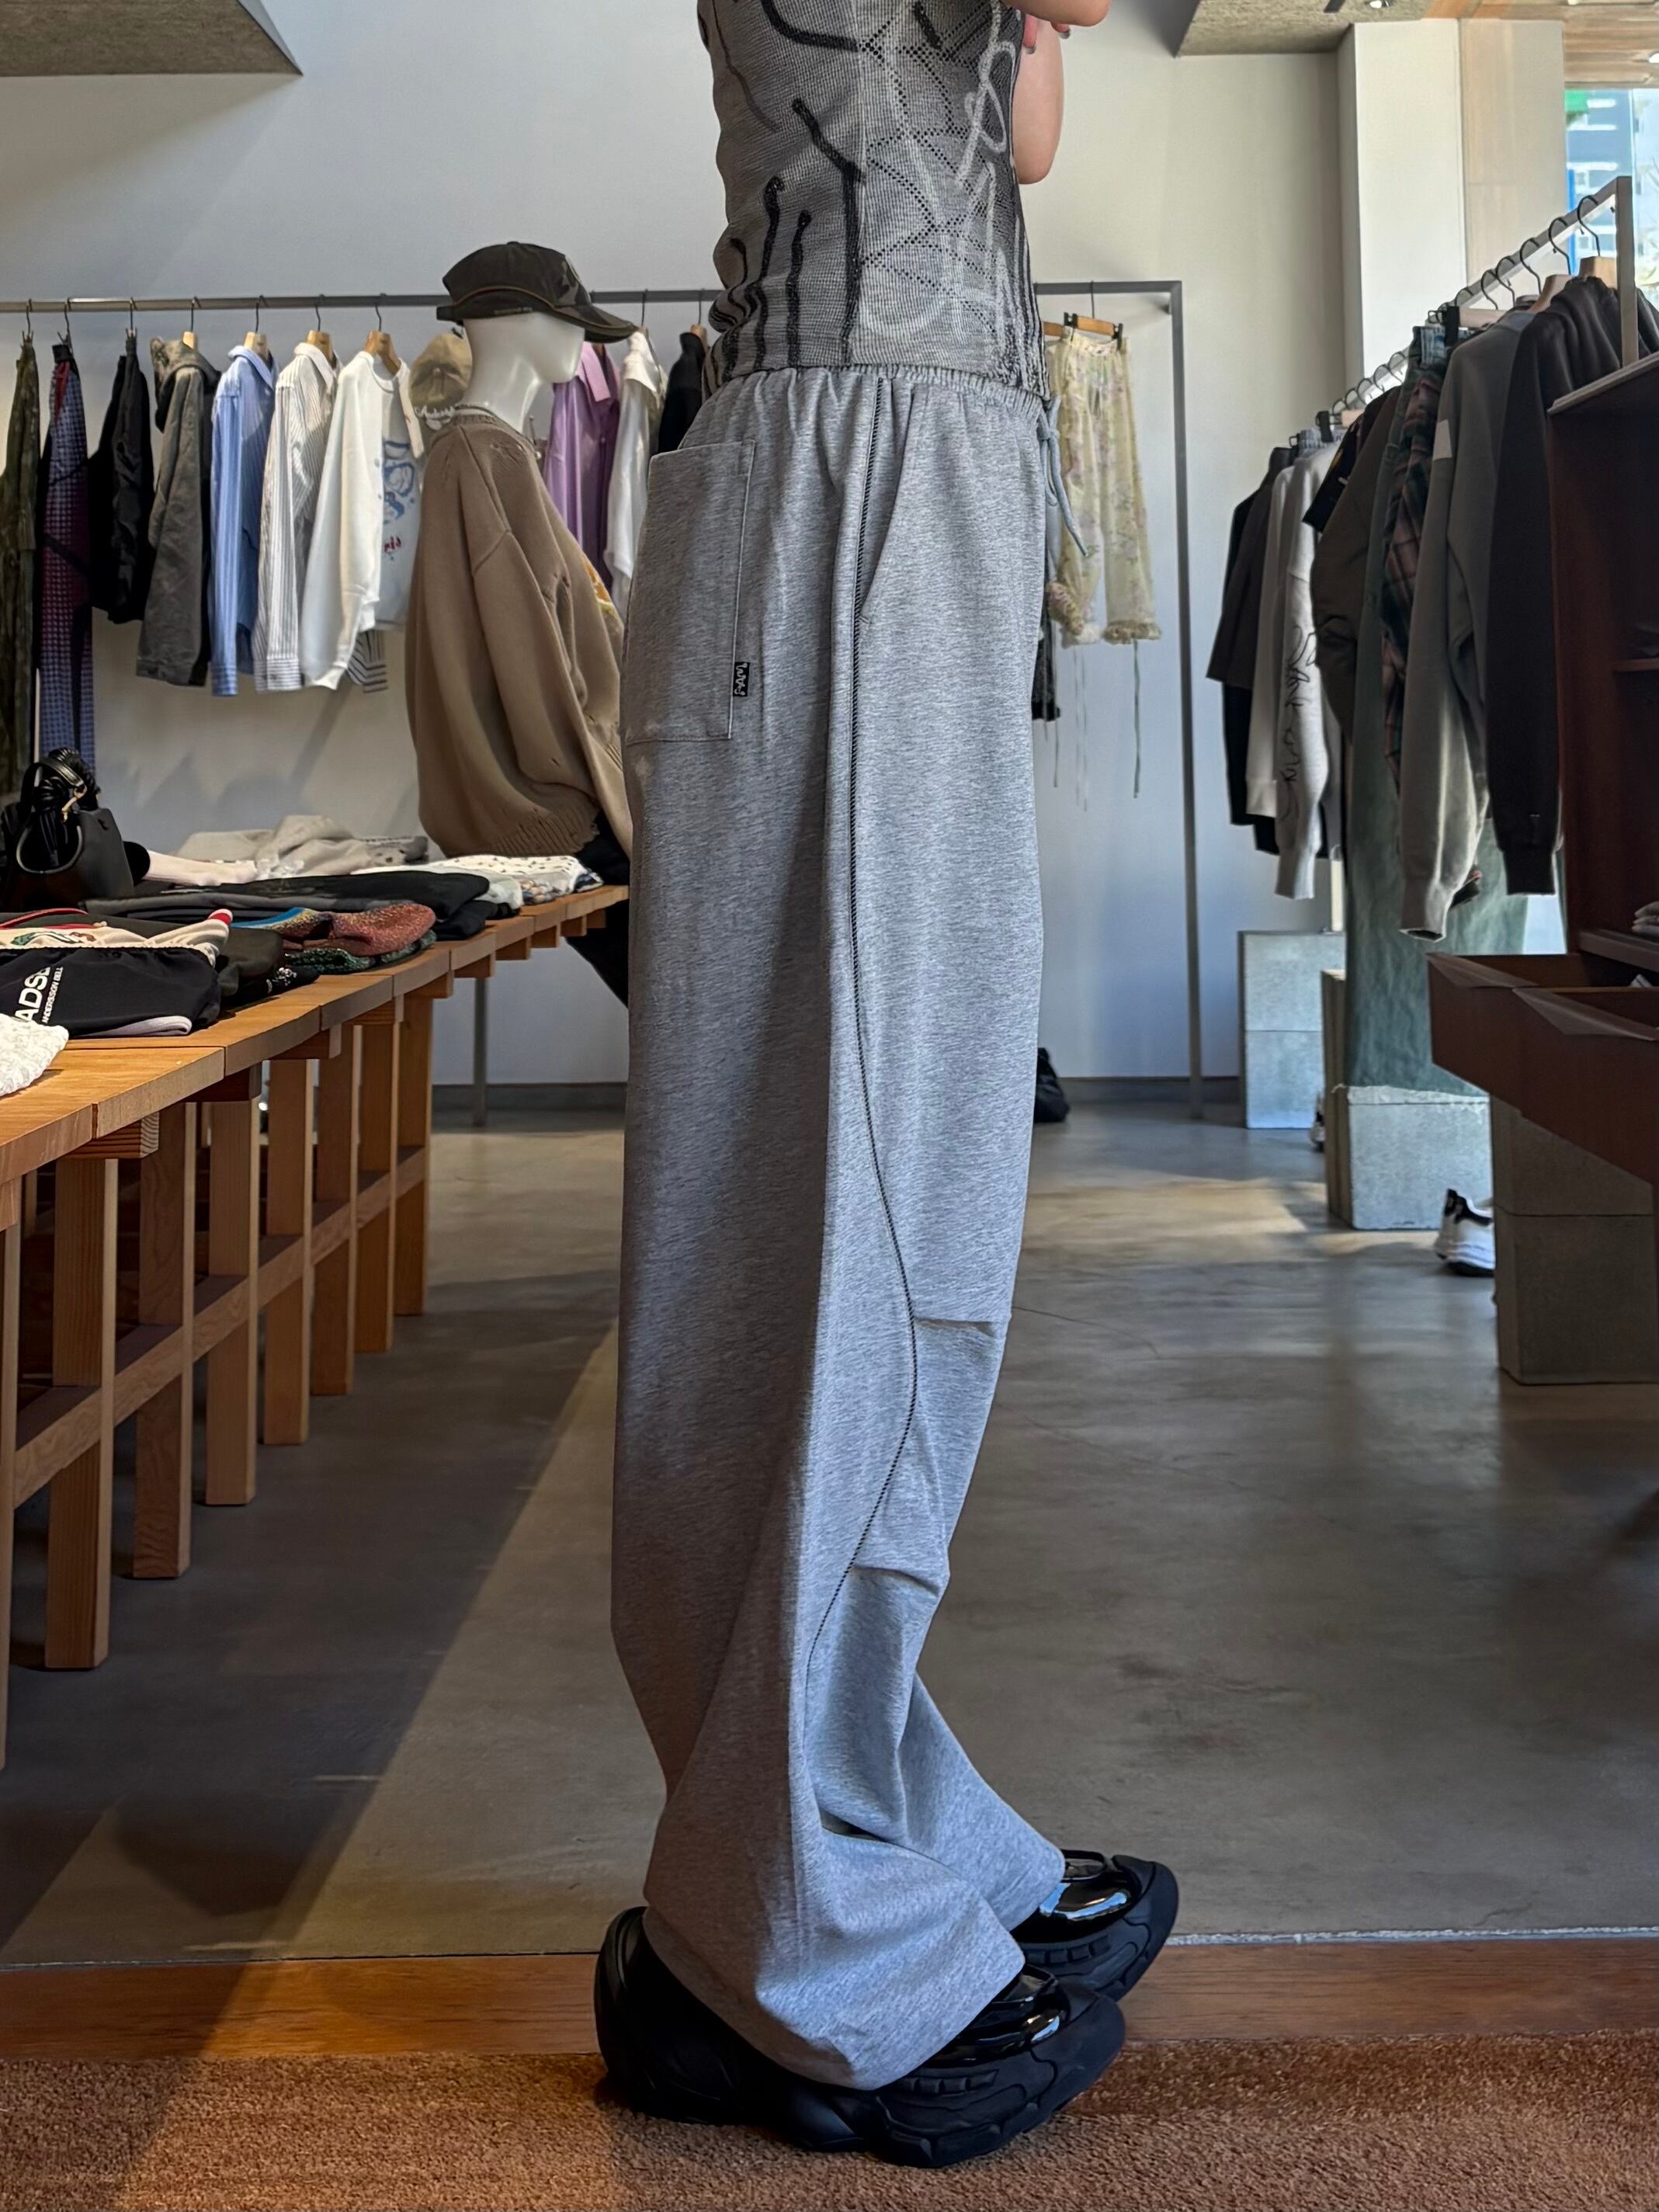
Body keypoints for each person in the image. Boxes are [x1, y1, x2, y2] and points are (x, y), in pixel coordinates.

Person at [599, 2, 1178, 2170]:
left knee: (885, 1196)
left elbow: (1018, 130)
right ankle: (779, 1943)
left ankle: (857, 1841)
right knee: (831, 1211)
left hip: (902, 451)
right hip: (853, 459)